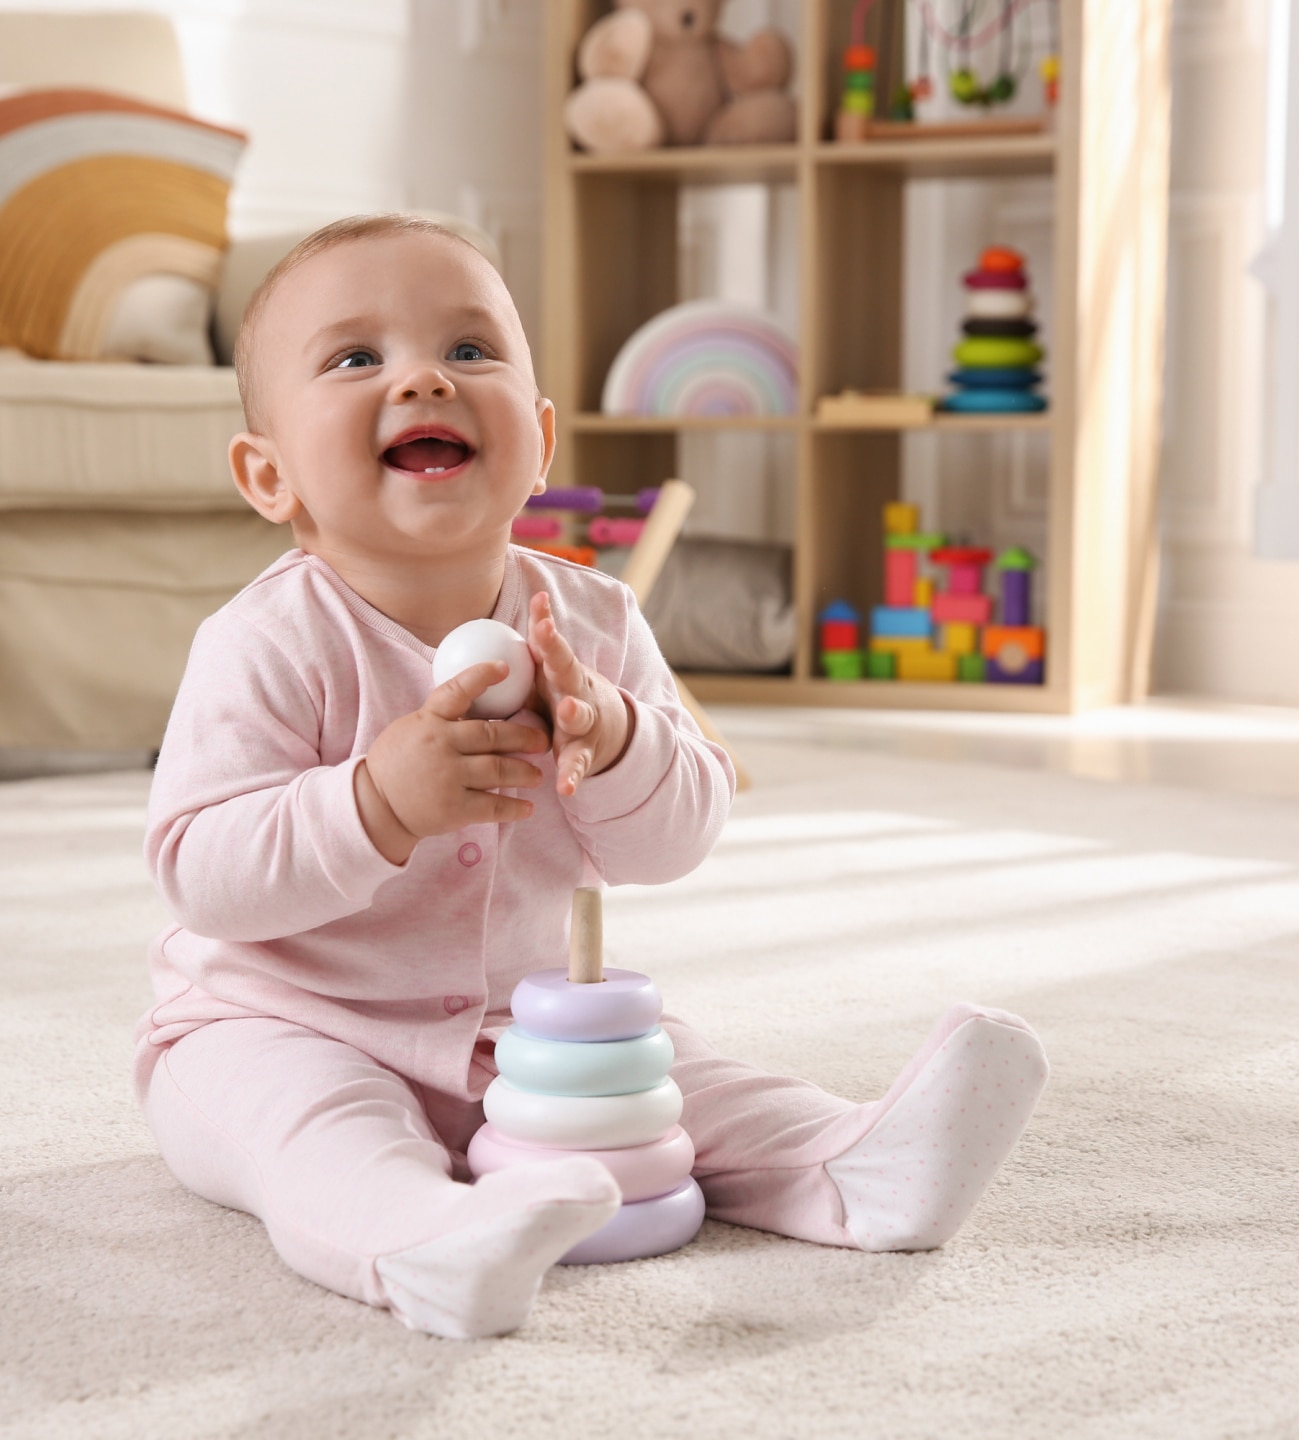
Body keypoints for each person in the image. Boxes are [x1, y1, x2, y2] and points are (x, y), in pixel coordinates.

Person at [136, 214, 1049, 1341]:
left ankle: (860, 1163)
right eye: (356, 358)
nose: (425, 377)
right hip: (276, 1026)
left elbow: (677, 837)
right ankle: (422, 1239)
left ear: (543, 439)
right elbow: (200, 872)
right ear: (267, 474)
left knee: (687, 1089)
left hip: (529, 1030)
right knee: (318, 1130)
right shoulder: (268, 641)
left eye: (471, 351)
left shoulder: (595, 619)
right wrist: (374, 806)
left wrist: (614, 741)